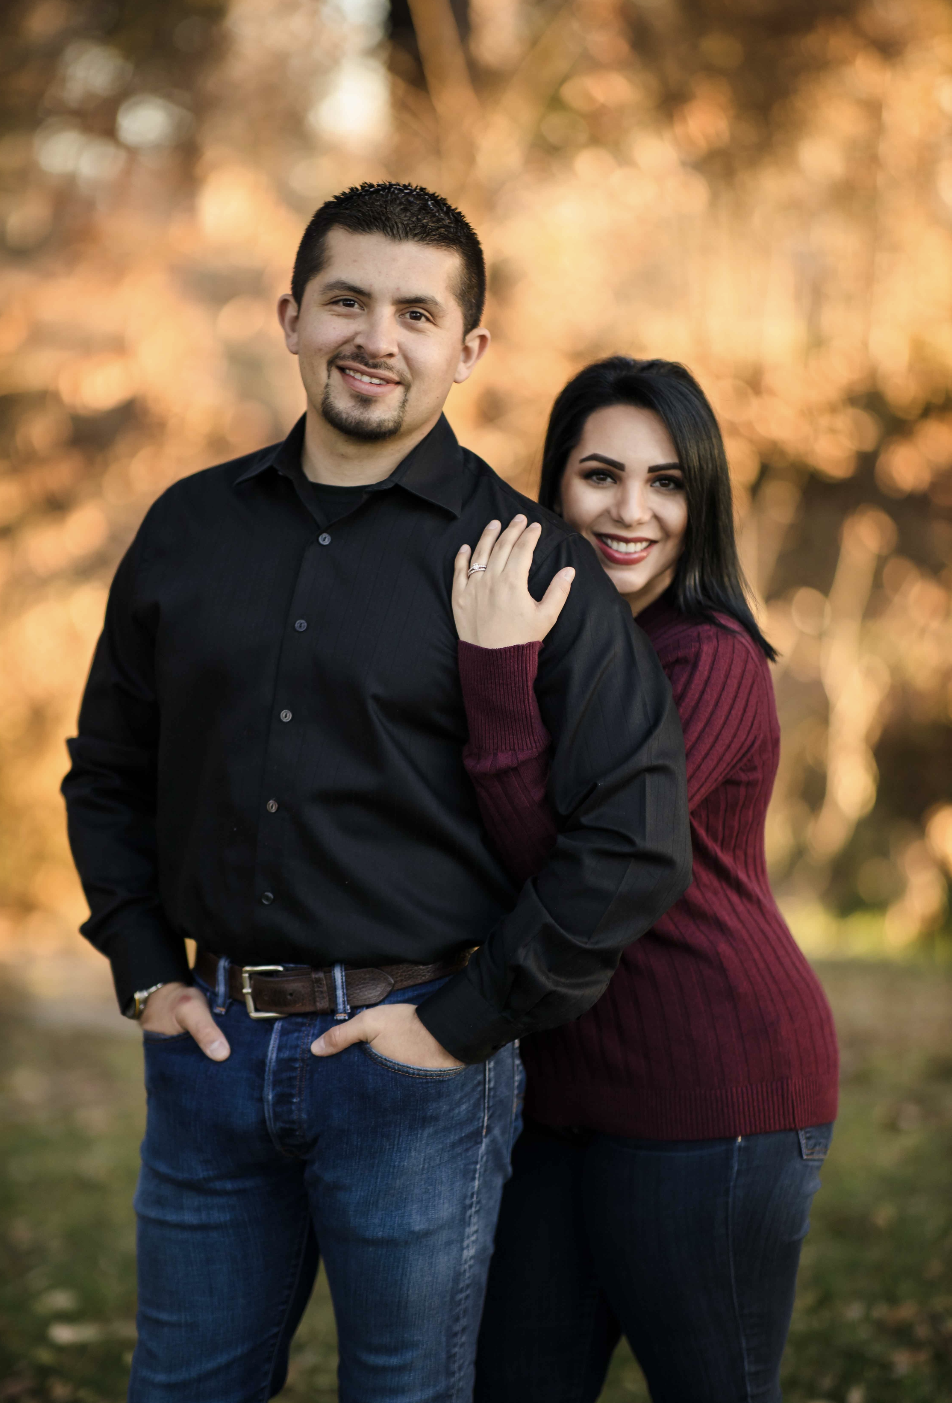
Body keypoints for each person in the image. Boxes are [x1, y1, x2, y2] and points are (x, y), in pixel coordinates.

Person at [61, 190, 691, 1403]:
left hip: (414, 1074)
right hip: (206, 1050)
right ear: (292, 316)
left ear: (469, 348)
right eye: (347, 300)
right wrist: (143, 964)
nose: (377, 337)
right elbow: (109, 768)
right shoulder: (189, 526)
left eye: (417, 311)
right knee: (180, 1385)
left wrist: (463, 1020)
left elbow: (633, 831)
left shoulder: (528, 560)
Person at [452, 356, 839, 1403]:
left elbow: (581, 862)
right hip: (565, 1097)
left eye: (667, 481)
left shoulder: (704, 658)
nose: (632, 511)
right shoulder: (572, 642)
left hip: (715, 1088)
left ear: (700, 500)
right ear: (554, 485)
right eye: (600, 474)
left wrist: (493, 675)